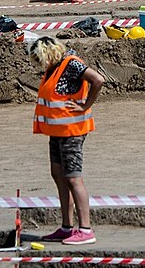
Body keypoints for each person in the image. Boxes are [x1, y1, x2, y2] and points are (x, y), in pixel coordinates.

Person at [30, 37, 105, 246]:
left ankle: (85, 229)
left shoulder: (71, 63)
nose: (38, 64)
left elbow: (98, 80)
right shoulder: (54, 68)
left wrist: (85, 106)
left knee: (73, 178)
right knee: (58, 174)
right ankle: (66, 227)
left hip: (72, 130)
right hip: (57, 131)